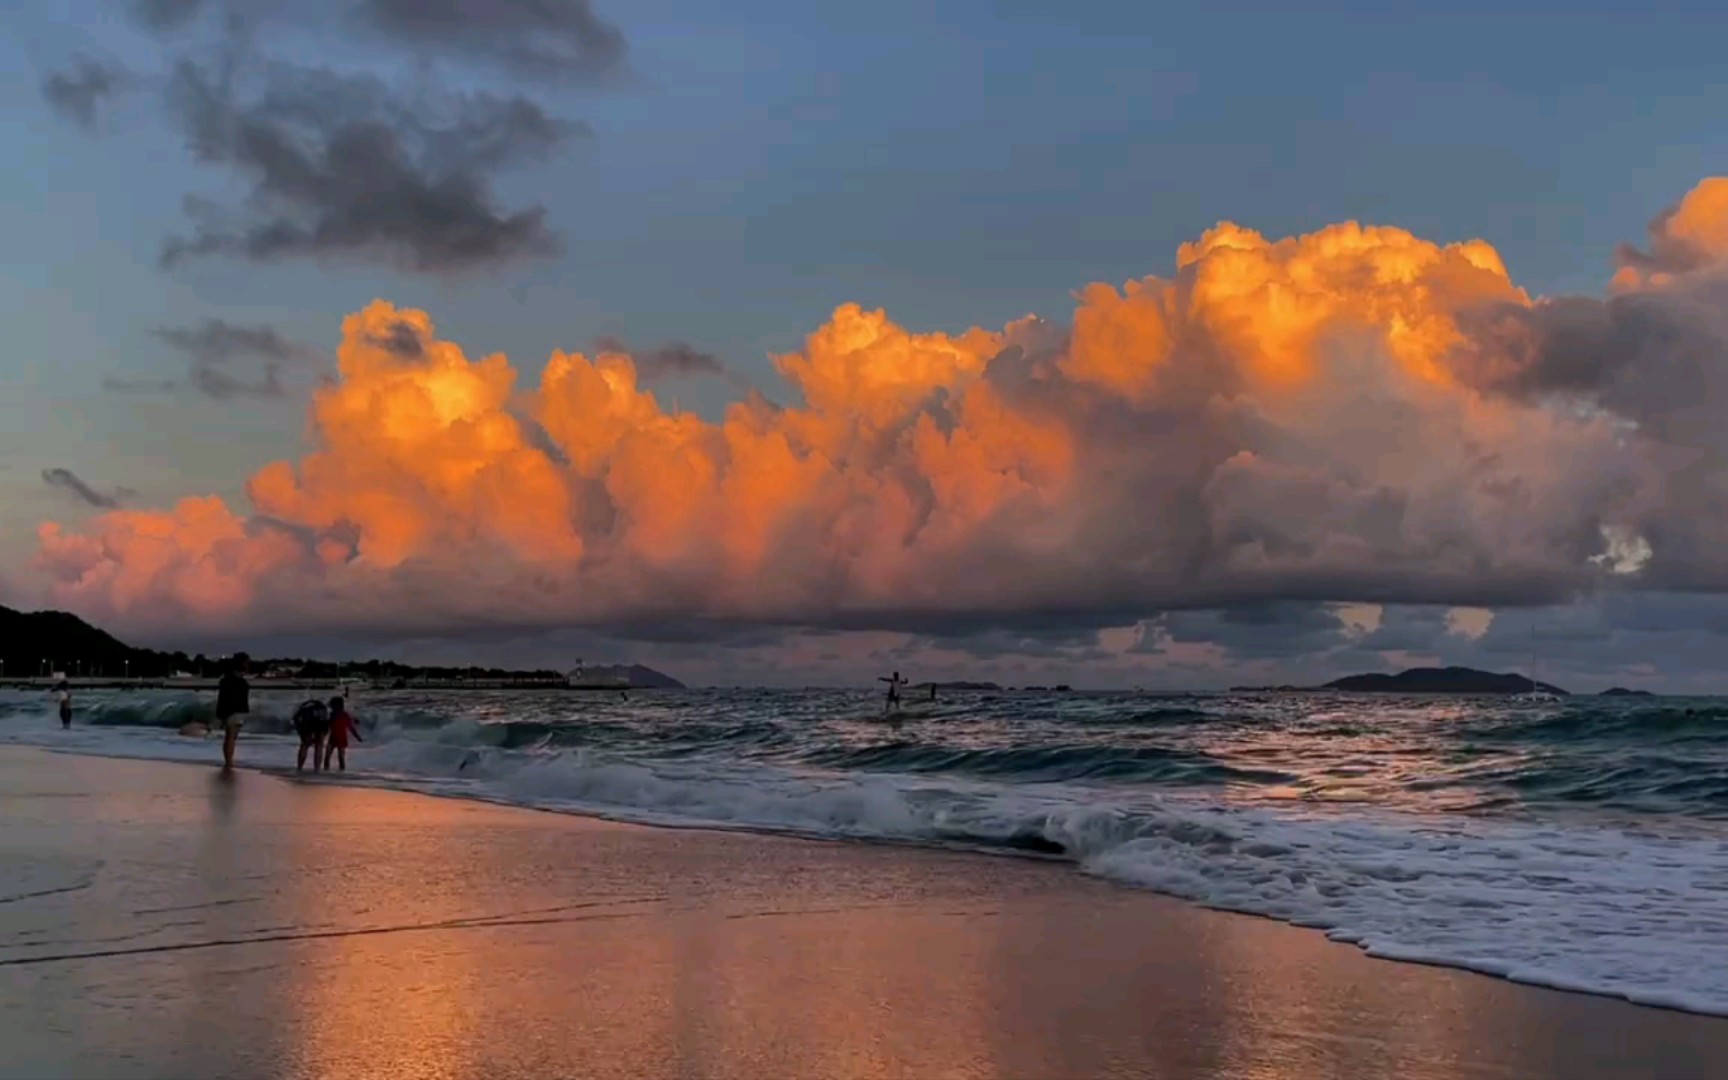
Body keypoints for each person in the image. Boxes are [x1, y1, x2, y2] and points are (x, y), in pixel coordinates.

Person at [215, 653, 251, 770]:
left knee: (231, 736)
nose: (247, 664)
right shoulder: (233, 679)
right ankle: (229, 762)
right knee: (231, 736)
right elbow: (228, 697)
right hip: (234, 710)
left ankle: (229, 761)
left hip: (235, 710)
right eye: (246, 662)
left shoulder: (229, 678)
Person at [323, 695, 361, 771]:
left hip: (340, 738)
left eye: (332, 705)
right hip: (334, 738)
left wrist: (357, 737)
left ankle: (339, 771)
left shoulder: (342, 715)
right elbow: (329, 726)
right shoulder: (334, 714)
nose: (331, 707)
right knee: (331, 757)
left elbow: (351, 728)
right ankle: (329, 771)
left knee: (339, 757)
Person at [292, 698, 331, 772]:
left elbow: (296, 719)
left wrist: (300, 730)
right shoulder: (322, 707)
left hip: (308, 721)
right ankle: (317, 768)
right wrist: (325, 732)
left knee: (305, 745)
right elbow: (327, 720)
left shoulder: (304, 707)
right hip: (321, 722)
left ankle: (299, 767)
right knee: (319, 746)